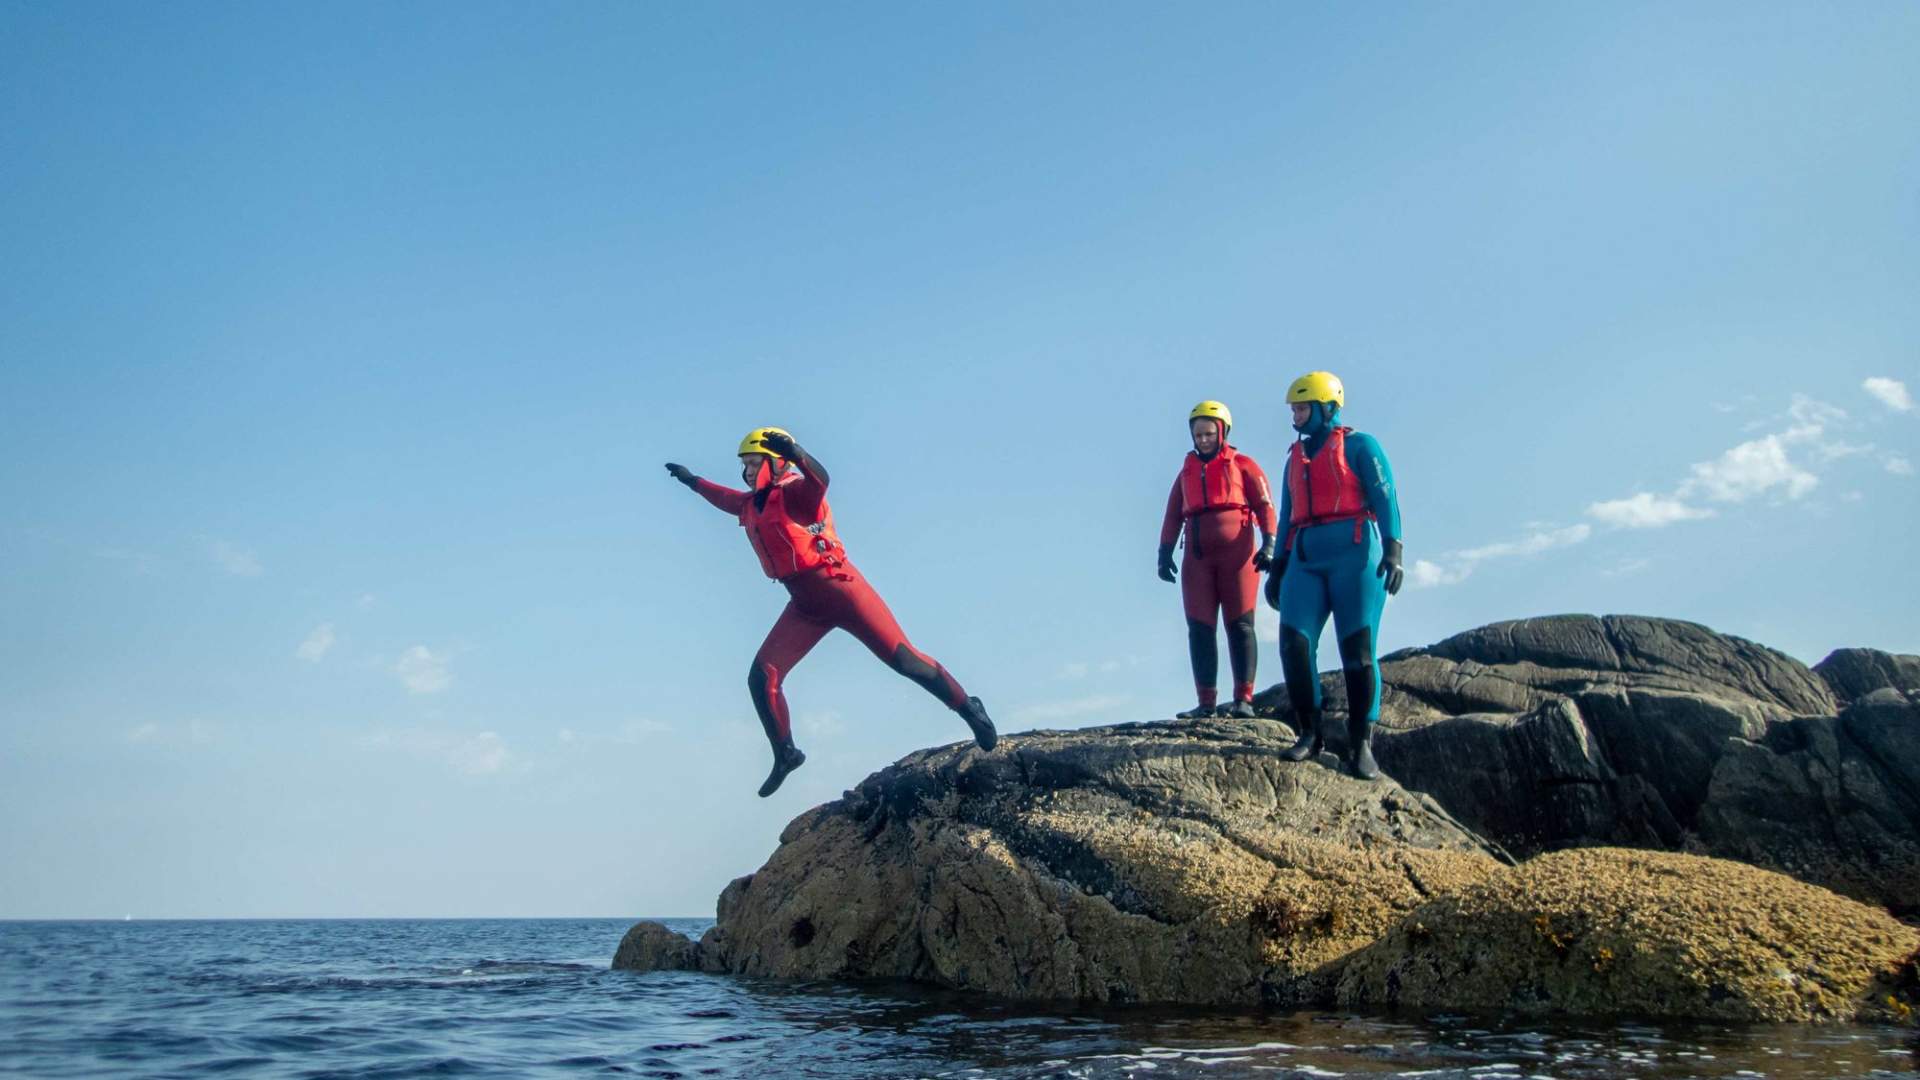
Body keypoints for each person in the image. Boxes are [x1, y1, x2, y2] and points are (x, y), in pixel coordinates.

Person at [665, 427, 997, 797]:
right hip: (805, 606)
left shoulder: (796, 494)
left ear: (776, 463)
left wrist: (798, 452)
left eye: (753, 463)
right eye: (743, 465)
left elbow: (820, 481)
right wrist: (692, 481)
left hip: (843, 592)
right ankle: (786, 754)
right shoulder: (750, 504)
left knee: (906, 662)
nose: (745, 472)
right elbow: (724, 498)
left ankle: (969, 708)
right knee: (762, 677)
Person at [1264, 373, 1404, 780]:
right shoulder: (1295, 458)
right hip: (1305, 558)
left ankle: (1361, 745)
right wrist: (1278, 568)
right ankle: (1311, 733)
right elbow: (1288, 516)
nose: (1295, 415)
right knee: (1293, 644)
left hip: (1356, 556)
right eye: (1293, 408)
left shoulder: (1361, 445)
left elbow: (1386, 495)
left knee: (1357, 654)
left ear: (1327, 407)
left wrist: (1395, 549)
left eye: (1302, 407)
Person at [1157, 401, 1279, 719]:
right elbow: (1172, 514)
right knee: (1199, 628)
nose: (1203, 440)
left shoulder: (1243, 464)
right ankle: (1206, 701)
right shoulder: (1186, 472)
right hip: (1197, 560)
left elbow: (1265, 506)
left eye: (1209, 434)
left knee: (1240, 625)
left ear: (1222, 432)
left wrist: (1269, 544)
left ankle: (1243, 699)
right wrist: (1163, 553)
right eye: (1198, 435)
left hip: (1238, 556)